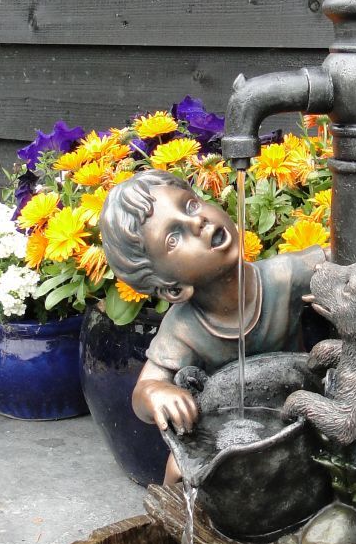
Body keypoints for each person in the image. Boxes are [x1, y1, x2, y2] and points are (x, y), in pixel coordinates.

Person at [99, 170, 324, 435]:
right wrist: (156, 393)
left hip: (302, 412)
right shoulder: (184, 329)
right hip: (227, 430)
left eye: (190, 205)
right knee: (179, 459)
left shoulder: (284, 276)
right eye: (173, 237)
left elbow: (344, 264)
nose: (197, 221)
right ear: (172, 289)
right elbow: (144, 389)